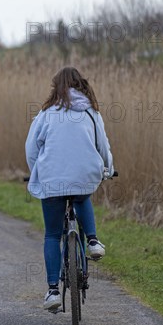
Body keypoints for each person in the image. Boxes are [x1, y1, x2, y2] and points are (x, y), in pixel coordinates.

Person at [25, 66, 114, 311]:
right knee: (82, 194)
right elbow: (102, 146)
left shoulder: (46, 114)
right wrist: (108, 168)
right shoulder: (91, 113)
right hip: (84, 174)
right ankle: (93, 241)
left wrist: (37, 171)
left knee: (53, 235)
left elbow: (31, 148)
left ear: (56, 87)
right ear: (81, 85)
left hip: (52, 179)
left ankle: (53, 291)